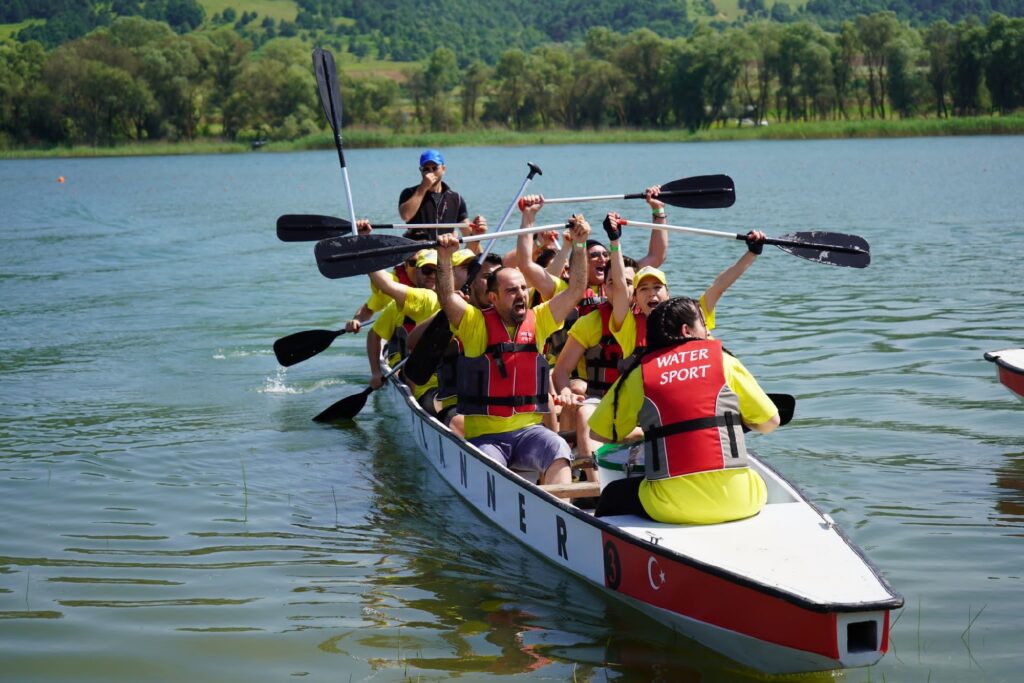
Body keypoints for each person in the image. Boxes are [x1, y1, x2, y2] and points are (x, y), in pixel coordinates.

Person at [434, 203, 592, 486]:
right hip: (486, 438)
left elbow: (577, 289)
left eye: (522, 288)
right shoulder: (474, 323)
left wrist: (579, 245)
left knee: (557, 447)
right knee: (489, 464)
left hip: (529, 432)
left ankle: (562, 508)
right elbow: (447, 298)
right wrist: (444, 259)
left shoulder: (540, 319)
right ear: (493, 298)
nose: (520, 294)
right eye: (511, 291)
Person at [588, 296, 780, 524]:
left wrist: (645, 431)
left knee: (612, 493)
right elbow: (771, 422)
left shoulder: (641, 372)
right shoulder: (724, 360)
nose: (707, 330)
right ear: (687, 330)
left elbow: (599, 433)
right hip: (741, 501)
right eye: (703, 324)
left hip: (669, 507)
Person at [398, 149, 487, 246]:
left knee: (482, 256)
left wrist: (477, 232)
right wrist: (423, 188)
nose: (430, 173)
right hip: (419, 253)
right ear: (421, 170)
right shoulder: (409, 193)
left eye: (434, 168)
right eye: (426, 169)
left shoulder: (456, 198)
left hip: (446, 251)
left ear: (443, 169)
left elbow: (468, 235)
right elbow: (406, 216)